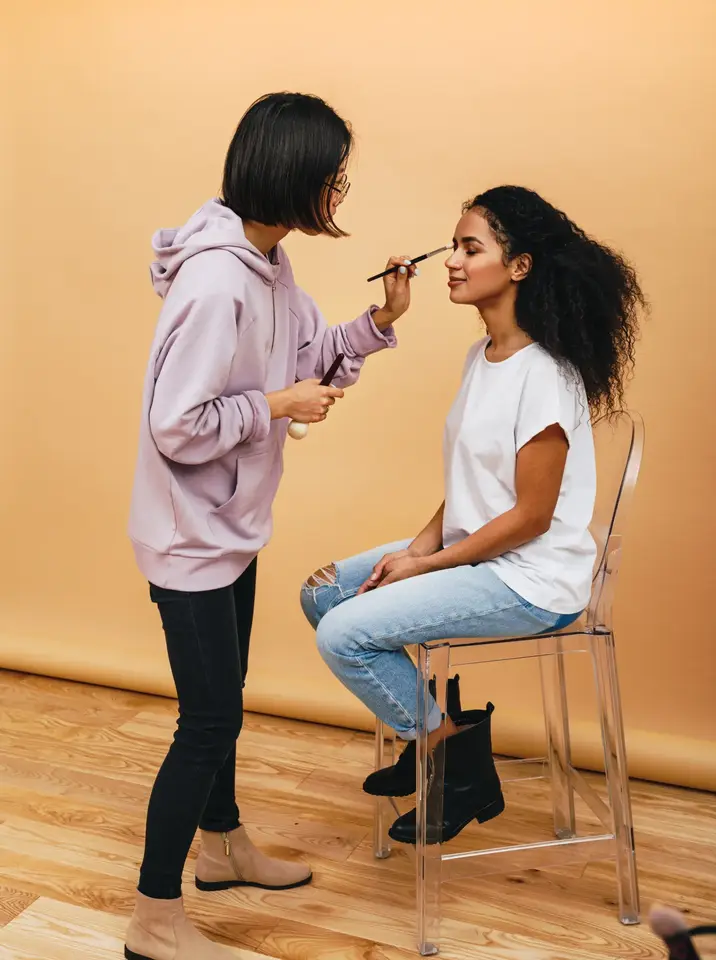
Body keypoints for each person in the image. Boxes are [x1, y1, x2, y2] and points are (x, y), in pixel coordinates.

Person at [125, 92, 415, 960]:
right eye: (333, 177)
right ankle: (153, 918)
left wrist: (379, 323)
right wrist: (275, 407)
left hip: (230, 527)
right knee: (208, 721)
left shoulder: (268, 263)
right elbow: (176, 425)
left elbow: (304, 358)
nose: (339, 192)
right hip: (188, 539)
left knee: (225, 703)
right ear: (293, 176)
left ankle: (222, 847)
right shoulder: (218, 281)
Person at [301, 185, 645, 846]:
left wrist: (426, 565)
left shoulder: (545, 375)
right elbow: (470, 483)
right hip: (477, 554)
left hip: (530, 578)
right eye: (453, 247)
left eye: (470, 248)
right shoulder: (481, 357)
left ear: (519, 266)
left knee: (343, 635)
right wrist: (418, 549)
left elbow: (531, 518)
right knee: (323, 594)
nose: (452, 262)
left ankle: (452, 760)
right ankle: (438, 732)